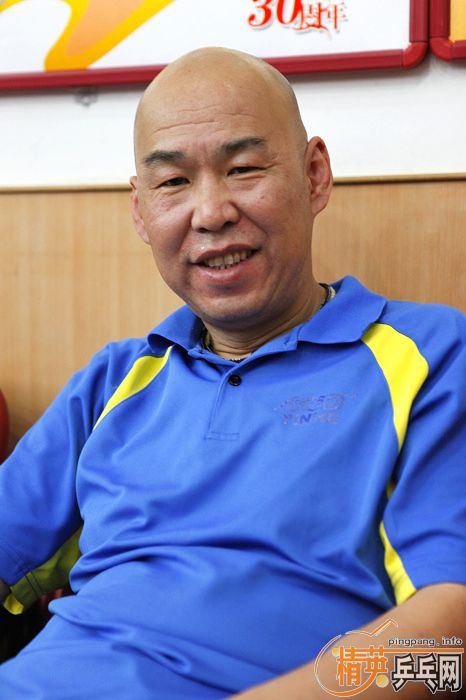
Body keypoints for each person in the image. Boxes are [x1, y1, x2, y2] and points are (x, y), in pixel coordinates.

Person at [0, 47, 465, 699]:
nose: (211, 212)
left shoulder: (432, 356)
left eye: (243, 169)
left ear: (314, 176)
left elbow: (448, 650)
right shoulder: (114, 381)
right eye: (172, 182)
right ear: (140, 211)